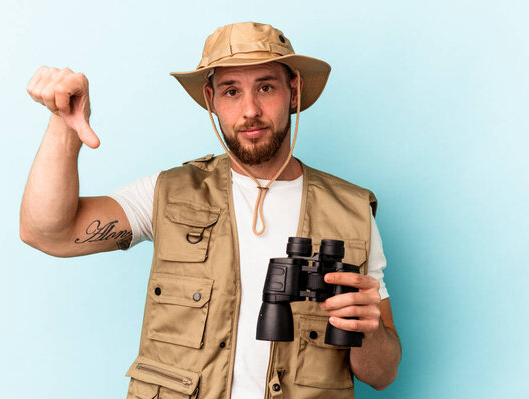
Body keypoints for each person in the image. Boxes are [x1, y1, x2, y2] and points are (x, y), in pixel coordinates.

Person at [21, 22, 401, 399]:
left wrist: (368, 332)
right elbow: (48, 232)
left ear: (295, 92)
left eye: (266, 87)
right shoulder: (167, 194)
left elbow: (382, 375)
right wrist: (62, 124)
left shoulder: (351, 212)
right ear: (211, 99)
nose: (250, 110)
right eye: (231, 91)